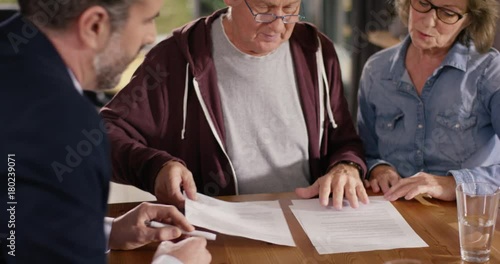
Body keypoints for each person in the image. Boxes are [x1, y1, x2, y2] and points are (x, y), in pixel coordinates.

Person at [100, 0, 369, 210]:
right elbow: (104, 135)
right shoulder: (174, 59)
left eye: (290, 9)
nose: (277, 25)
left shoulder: (318, 52)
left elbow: (344, 140)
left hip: (309, 222)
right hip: (218, 232)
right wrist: (155, 167)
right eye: (264, 8)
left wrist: (346, 167)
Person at [0, 1, 211, 263]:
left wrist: (104, 231)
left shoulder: (9, 36)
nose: (149, 36)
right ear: (94, 25)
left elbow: (13, 224)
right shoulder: (64, 126)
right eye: (147, 20)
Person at [357, 0, 500, 201]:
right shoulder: (376, 71)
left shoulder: (490, 72)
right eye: (423, 3)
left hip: (462, 218)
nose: (428, 21)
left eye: (448, 13)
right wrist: (378, 168)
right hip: (392, 210)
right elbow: (364, 151)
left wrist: (453, 184)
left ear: (469, 20)